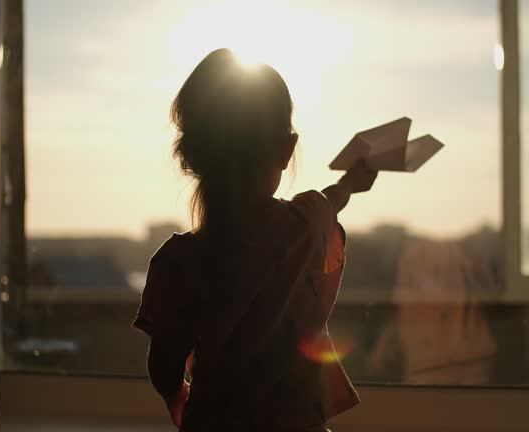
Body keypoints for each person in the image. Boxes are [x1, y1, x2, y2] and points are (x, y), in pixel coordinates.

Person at [133, 48, 378, 431]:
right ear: (286, 149)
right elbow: (331, 202)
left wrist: (175, 394)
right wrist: (352, 181)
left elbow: (163, 363)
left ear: (193, 156)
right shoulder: (304, 225)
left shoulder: (178, 262)